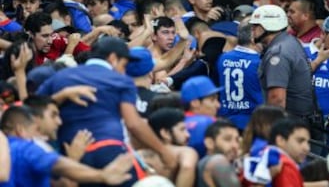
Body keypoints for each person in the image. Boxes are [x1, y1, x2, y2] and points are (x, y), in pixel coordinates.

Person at [37, 36, 176, 186]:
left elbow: (31, 110)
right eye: (124, 65)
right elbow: (133, 123)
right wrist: (163, 151)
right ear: (113, 58)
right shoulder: (121, 81)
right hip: (109, 151)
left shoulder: (60, 76)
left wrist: (60, 97)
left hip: (70, 158)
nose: (124, 71)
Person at [249, 5, 324, 153]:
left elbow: (277, 99)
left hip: (291, 126)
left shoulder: (278, 53)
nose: (252, 31)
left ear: (268, 26)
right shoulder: (290, 42)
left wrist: (271, 134)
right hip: (303, 121)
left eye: (256, 26)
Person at [0, 106, 134, 187]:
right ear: (20, 130)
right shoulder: (22, 148)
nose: (37, 136)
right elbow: (58, 165)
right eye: (35, 130)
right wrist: (101, 175)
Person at [217, 24, 263, 130]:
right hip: (251, 122)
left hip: (226, 121)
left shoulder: (223, 58)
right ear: (253, 38)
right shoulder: (258, 62)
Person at [146, 108, 198, 187]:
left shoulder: (141, 154)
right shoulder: (185, 151)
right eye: (182, 129)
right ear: (165, 133)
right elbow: (187, 167)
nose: (188, 135)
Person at [181, 76, 222, 157]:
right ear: (195, 103)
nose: (218, 105)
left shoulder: (176, 122)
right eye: (212, 100)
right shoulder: (210, 122)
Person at [197, 119, 240, 187]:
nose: (235, 146)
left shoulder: (204, 162)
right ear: (209, 143)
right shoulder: (218, 160)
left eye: (237, 140)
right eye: (227, 139)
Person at [268, 118, 311, 187]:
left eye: (308, 142)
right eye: (300, 141)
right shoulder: (284, 166)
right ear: (280, 140)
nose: (307, 148)